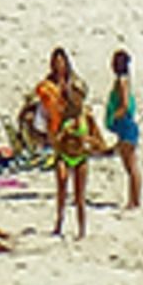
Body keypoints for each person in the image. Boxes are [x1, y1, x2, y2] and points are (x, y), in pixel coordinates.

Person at [53, 80, 107, 239]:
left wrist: (87, 140)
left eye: (78, 93)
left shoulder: (87, 116)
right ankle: (59, 222)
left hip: (80, 156)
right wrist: (64, 134)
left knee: (79, 195)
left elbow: (101, 144)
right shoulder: (64, 112)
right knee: (62, 188)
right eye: (73, 92)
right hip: (63, 154)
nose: (75, 96)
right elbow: (54, 139)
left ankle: (81, 229)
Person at [105, 49, 141, 209]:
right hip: (127, 125)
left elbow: (125, 104)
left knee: (130, 165)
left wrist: (114, 116)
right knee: (131, 165)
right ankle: (134, 199)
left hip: (125, 125)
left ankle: (134, 201)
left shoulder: (121, 81)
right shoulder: (125, 80)